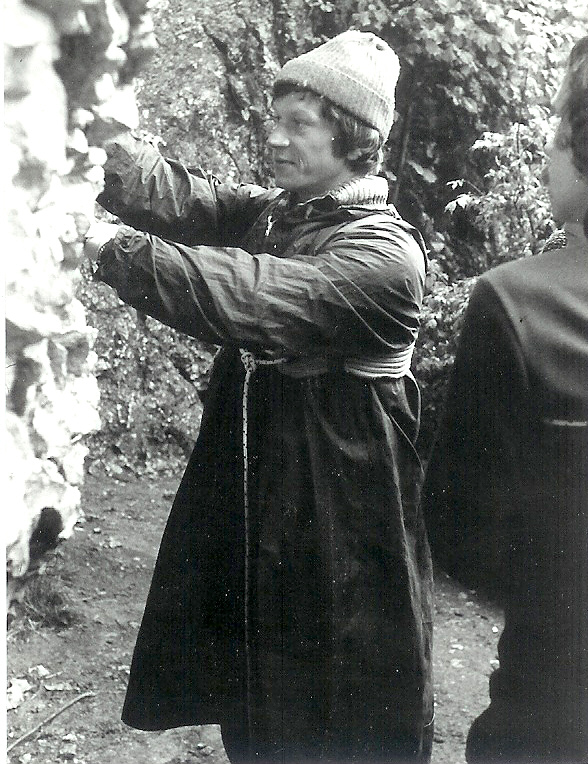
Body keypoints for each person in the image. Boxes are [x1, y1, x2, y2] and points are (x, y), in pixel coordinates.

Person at [84, 31, 434, 763]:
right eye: (274, 120)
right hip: (266, 493)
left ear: (355, 139)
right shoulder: (282, 213)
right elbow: (179, 196)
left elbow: (252, 294)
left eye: (298, 125)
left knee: (332, 691)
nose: (274, 139)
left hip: (341, 510)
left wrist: (104, 245)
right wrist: (83, 127)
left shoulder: (384, 256)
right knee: (256, 683)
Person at [422, 36, 588, 763]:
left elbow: (457, 527)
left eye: (560, 128)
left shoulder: (518, 302)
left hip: (552, 699)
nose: (548, 150)